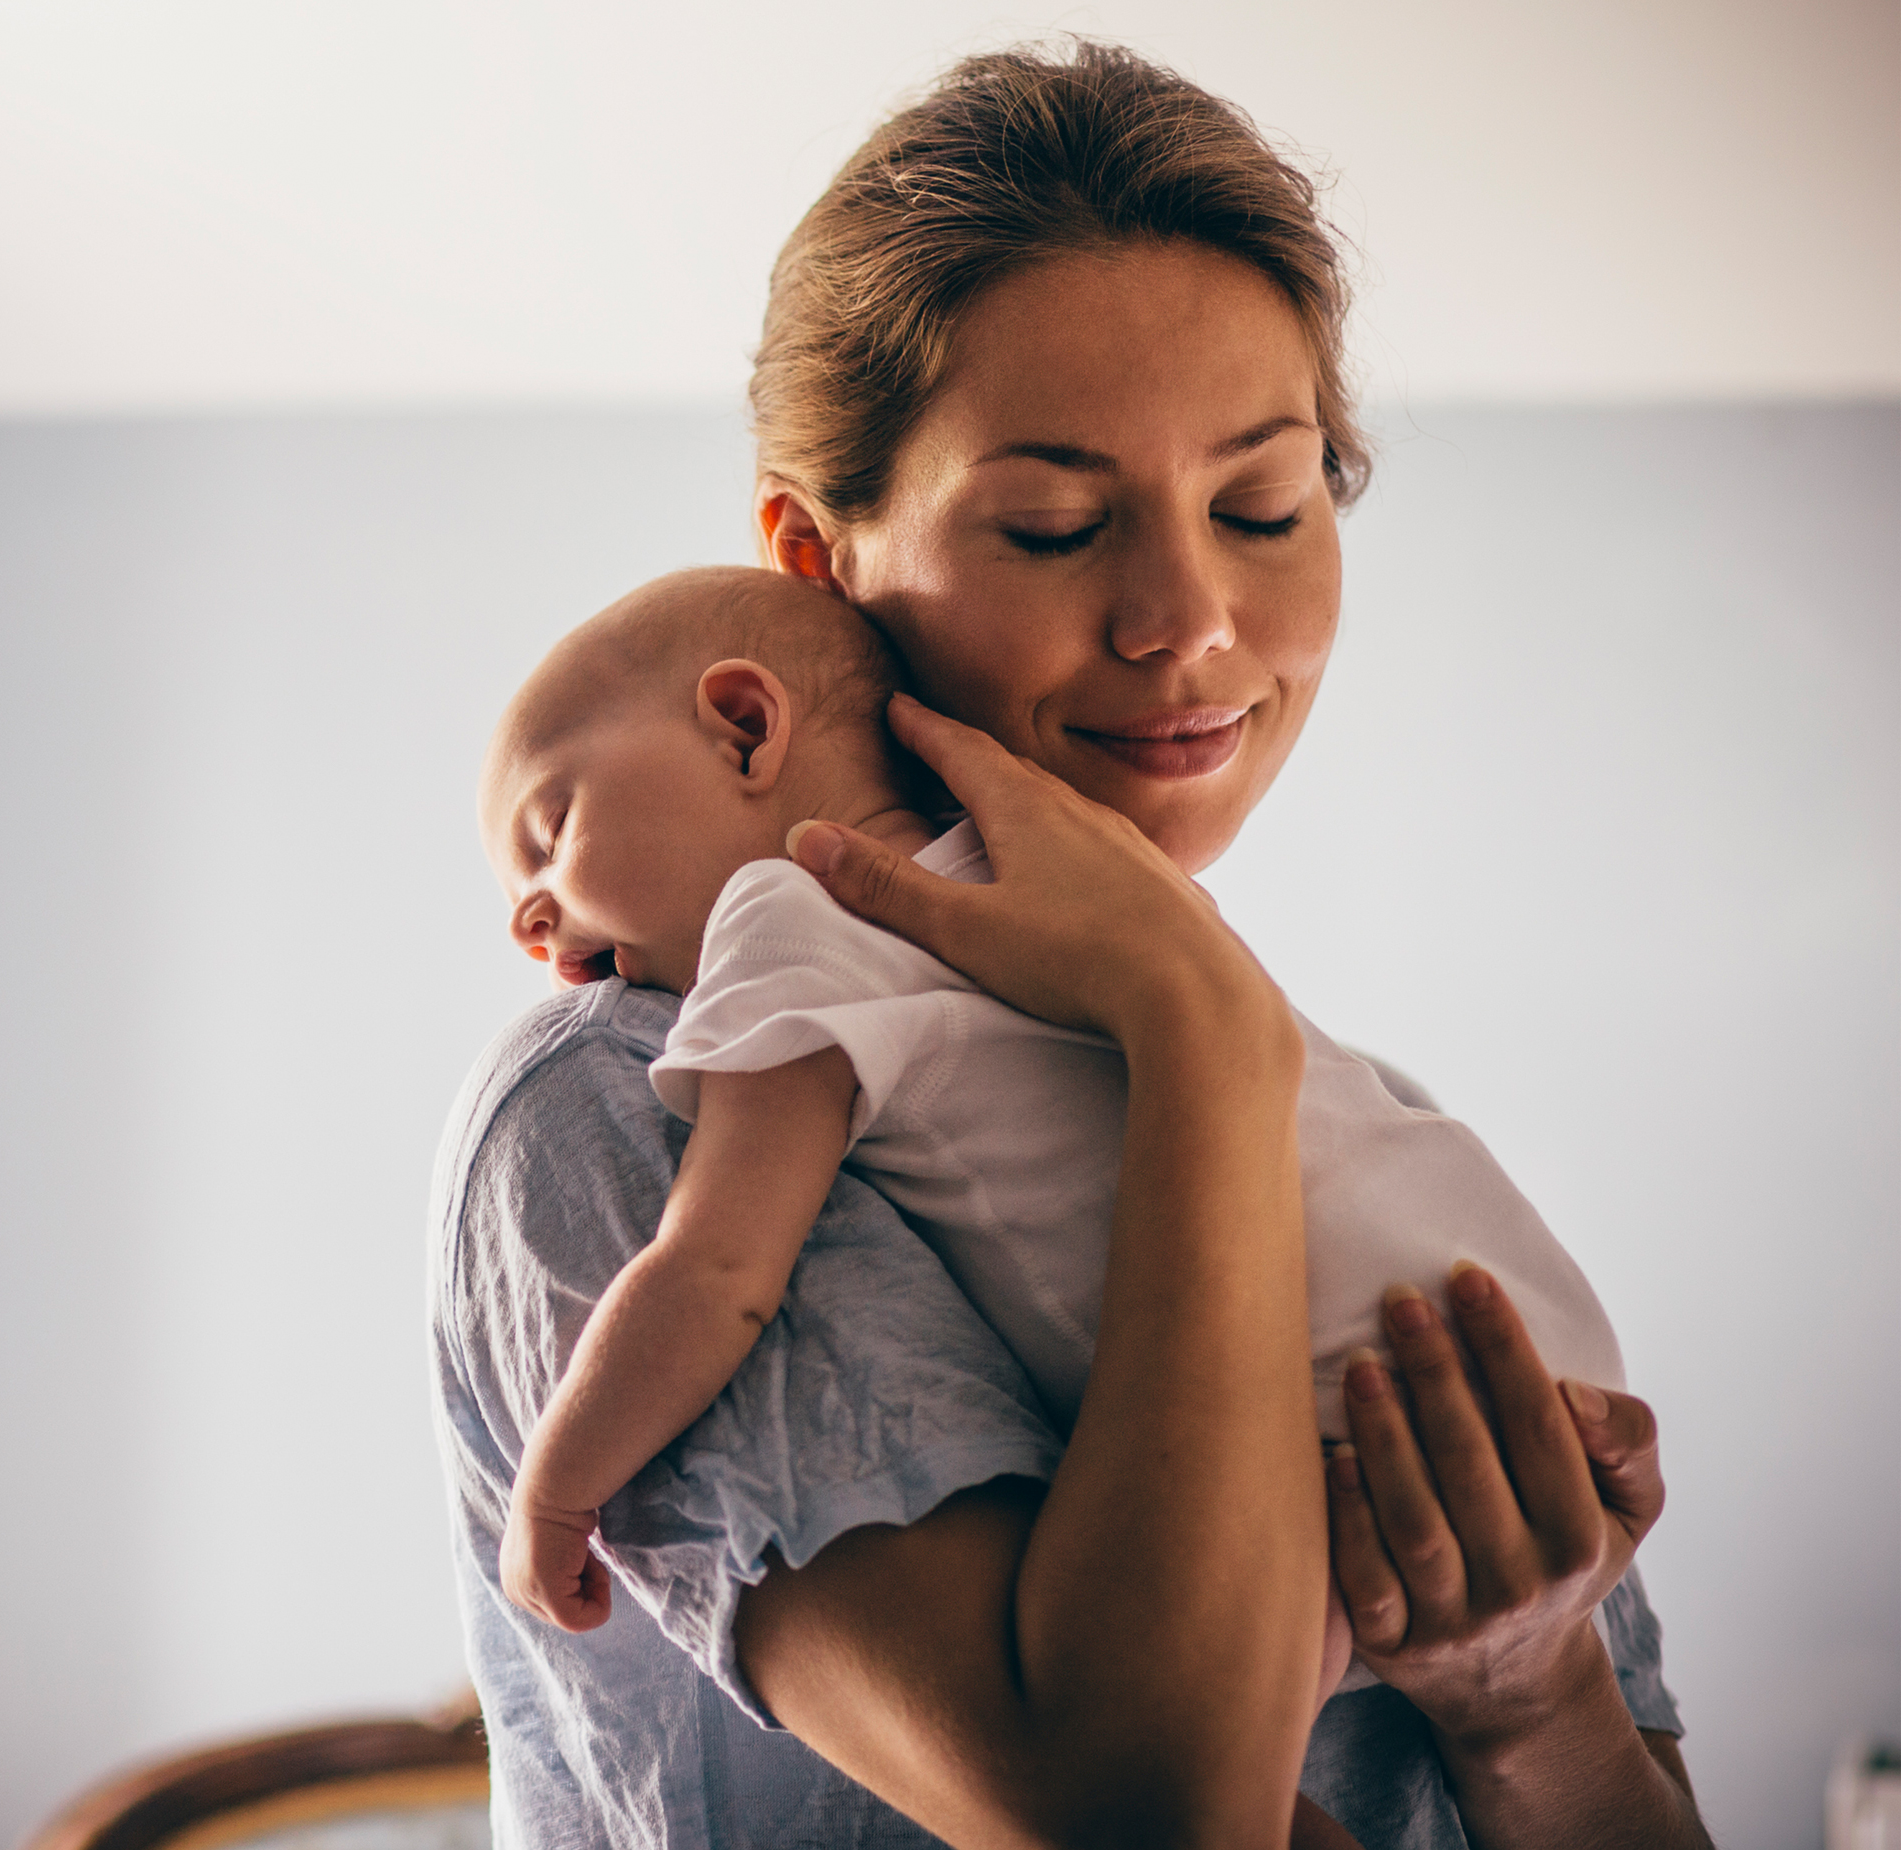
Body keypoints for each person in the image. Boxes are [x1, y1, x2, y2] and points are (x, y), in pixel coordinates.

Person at [429, 40, 1707, 1850]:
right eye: (1053, 524)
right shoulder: (631, 1095)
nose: (1189, 625)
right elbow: (1147, 1813)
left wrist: (1531, 1699)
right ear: (815, 562)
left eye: (1264, 505)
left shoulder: (1362, 1148)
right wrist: (1197, 1032)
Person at [477, 566, 1628, 1672]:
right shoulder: (1080, 876)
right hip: (1516, 1329)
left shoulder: (788, 916)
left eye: (549, 829)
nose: (531, 919)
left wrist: (558, 1484)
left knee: (1200, 1741)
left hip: (1349, 1376)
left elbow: (717, 1265)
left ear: (741, 725)